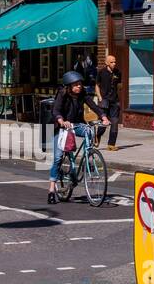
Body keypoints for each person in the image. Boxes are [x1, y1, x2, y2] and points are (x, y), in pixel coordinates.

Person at [47, 73, 110, 205]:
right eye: (76, 85)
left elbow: (93, 106)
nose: (79, 86)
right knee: (58, 158)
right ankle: (52, 190)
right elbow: (56, 110)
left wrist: (103, 116)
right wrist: (61, 120)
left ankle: (88, 154)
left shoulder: (83, 94)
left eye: (80, 84)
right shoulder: (62, 94)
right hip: (61, 127)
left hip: (76, 124)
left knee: (89, 130)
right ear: (69, 86)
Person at [95, 54, 122, 151]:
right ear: (106, 63)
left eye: (115, 62)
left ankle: (111, 144)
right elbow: (97, 85)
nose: (114, 63)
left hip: (115, 101)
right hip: (104, 100)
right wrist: (99, 97)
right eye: (112, 62)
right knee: (104, 123)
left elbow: (119, 85)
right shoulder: (101, 72)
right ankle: (97, 136)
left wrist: (118, 96)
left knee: (114, 122)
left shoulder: (118, 72)